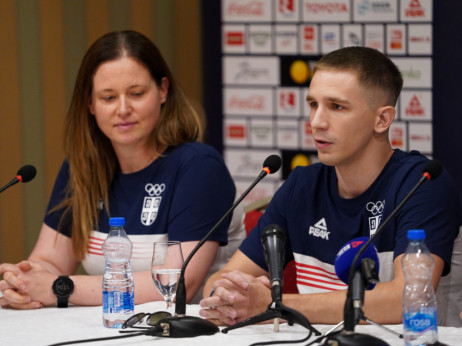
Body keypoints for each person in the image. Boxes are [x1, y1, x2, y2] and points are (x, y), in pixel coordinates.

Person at [199, 46, 462, 326]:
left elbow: (405, 300)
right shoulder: (302, 185)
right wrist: (225, 298)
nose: (316, 122)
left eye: (336, 107)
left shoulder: (422, 184)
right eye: (313, 104)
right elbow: (218, 283)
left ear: (382, 119)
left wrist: (275, 305)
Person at [0, 30, 245, 309]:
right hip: (109, 329)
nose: (123, 109)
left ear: (163, 90)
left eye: (136, 93)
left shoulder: (199, 167)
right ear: (90, 104)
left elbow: (178, 284)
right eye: (108, 98)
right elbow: (49, 261)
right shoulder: (81, 167)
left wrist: (60, 287)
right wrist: (22, 283)